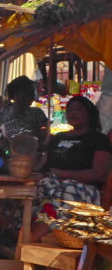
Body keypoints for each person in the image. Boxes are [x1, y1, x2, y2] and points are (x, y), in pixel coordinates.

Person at [30, 96, 112, 241]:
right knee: (24, 195)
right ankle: (12, 237)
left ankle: (29, 241)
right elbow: (42, 165)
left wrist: (64, 174)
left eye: (78, 109)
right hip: (50, 182)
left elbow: (99, 174)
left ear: (89, 114)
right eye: (69, 110)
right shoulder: (57, 138)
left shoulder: (98, 139)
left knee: (59, 198)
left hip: (82, 189)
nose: (72, 113)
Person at [0, 76, 49, 154]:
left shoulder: (37, 114)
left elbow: (44, 140)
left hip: (30, 159)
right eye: (28, 92)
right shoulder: (2, 114)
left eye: (32, 92)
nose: (32, 96)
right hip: (8, 157)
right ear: (16, 94)